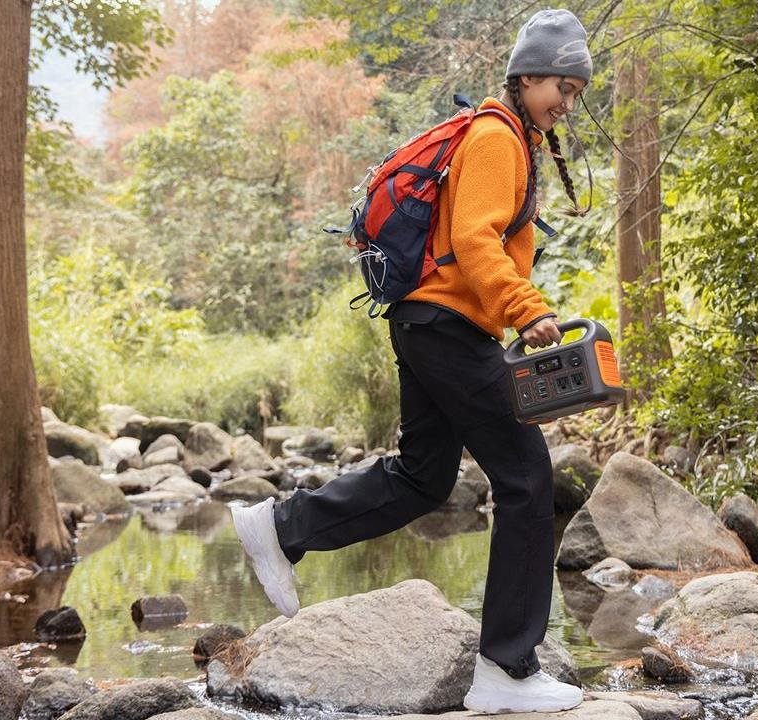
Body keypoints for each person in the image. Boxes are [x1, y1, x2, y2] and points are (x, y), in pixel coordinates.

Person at [231, 8, 592, 714]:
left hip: (431, 323)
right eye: (561, 86)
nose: (566, 103)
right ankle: (507, 671)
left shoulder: (511, 134)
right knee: (526, 477)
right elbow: (475, 239)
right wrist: (528, 309)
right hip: (447, 325)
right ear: (526, 76)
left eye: (575, 93)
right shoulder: (496, 136)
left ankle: (281, 526)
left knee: (425, 478)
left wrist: (507, 313)